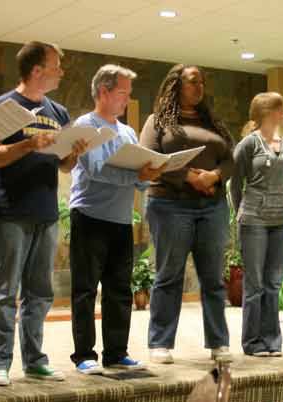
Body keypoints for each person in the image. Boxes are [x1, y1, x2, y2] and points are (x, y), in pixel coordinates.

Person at [0, 41, 87, 386]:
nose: (61, 71)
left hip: (46, 214)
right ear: (37, 70)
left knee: (39, 293)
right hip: (10, 213)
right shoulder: (4, 107)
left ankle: (34, 360)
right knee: (5, 292)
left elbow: (66, 166)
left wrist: (76, 152)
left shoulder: (57, 111)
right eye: (56, 65)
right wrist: (28, 143)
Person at [68, 64, 164, 374]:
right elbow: (98, 170)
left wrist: (149, 174)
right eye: (123, 93)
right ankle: (84, 355)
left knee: (119, 289)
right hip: (89, 216)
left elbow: (136, 180)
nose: (126, 99)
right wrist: (136, 174)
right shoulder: (85, 126)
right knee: (85, 289)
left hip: (121, 220)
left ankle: (116, 352)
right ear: (104, 92)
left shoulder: (128, 132)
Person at [140, 64, 234, 364]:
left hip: (212, 206)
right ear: (176, 85)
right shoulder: (157, 122)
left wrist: (214, 176)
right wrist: (189, 178)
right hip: (170, 205)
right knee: (169, 276)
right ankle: (160, 343)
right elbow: (150, 159)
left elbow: (232, 160)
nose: (199, 87)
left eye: (202, 82)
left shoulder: (214, 123)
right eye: (194, 81)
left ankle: (218, 342)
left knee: (213, 278)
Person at [230, 92, 283, 357]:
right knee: (254, 284)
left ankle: (272, 341)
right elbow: (234, 183)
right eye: (280, 109)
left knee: (274, 283)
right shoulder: (249, 144)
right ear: (268, 112)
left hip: (280, 222)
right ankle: (252, 342)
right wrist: (244, 210)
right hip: (254, 220)